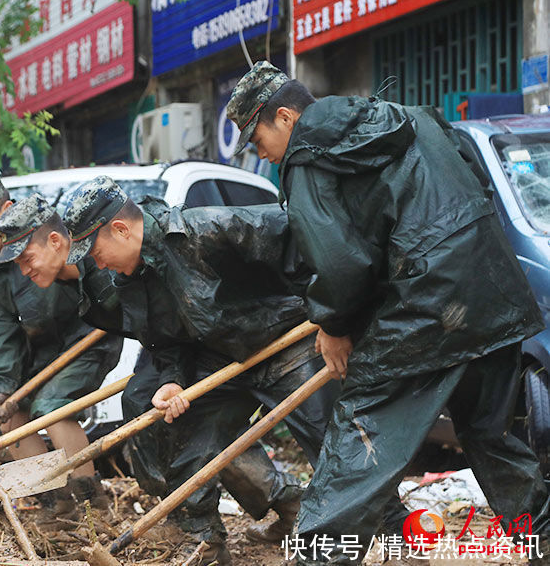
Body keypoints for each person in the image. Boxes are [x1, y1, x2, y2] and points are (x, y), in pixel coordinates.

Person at [228, 60, 550, 564]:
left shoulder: (308, 157)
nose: (261, 153)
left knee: (361, 436)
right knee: (491, 434)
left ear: (286, 117)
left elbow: (339, 261)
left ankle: (319, 558)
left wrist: (334, 325)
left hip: (425, 309)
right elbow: (474, 190)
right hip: (493, 295)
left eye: (256, 138)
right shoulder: (413, 116)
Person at [61, 176, 382, 563]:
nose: (96, 264)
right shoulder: (131, 278)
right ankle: (206, 543)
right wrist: (173, 381)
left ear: (121, 229)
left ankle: (398, 536)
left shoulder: (206, 230)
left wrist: (334, 320)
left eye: (94, 251)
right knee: (186, 434)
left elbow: (309, 240)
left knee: (335, 445)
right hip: (224, 358)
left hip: (288, 343)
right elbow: (166, 340)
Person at [0, 193, 312, 563]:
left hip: (244, 337)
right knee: (154, 412)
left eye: (26, 258)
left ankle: (283, 511)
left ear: (55, 240)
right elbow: (154, 328)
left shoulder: (138, 250)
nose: (24, 271)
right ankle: (201, 521)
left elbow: (291, 238)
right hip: (180, 344)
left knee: (202, 423)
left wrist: (331, 307)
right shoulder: (87, 276)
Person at [0, 166, 123, 519]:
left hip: (87, 337)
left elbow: (94, 279)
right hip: (42, 350)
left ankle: (92, 506)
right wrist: (2, 384)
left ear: (6, 206)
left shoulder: (40, 232)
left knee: (53, 409)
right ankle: (57, 504)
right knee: (11, 419)